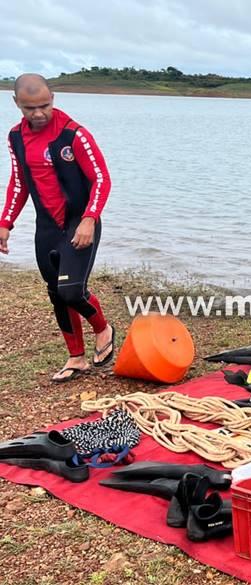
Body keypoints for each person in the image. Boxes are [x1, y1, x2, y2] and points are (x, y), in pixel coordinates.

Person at [1, 74, 114, 382]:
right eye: (29, 108)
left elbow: (101, 179)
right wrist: (5, 223)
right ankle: (76, 358)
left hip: (80, 221)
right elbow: (19, 182)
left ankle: (103, 328)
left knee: (72, 290)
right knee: (56, 294)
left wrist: (90, 218)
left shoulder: (73, 134)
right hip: (47, 227)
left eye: (44, 105)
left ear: (53, 98)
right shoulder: (15, 137)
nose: (38, 113)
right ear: (16, 104)